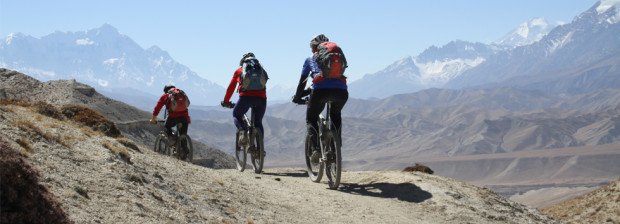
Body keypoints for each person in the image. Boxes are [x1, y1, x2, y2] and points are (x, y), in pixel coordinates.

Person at [292, 34, 348, 164]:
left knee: (311, 119)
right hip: (341, 92)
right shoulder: (336, 57)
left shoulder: (310, 59)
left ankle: (316, 149)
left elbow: (302, 82)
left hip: (320, 92)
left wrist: (297, 97)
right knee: (336, 114)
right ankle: (336, 146)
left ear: (314, 47)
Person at [221, 52, 268, 146]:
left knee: (236, 114)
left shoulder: (240, 71)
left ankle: (243, 132)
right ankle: (260, 148)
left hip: (246, 98)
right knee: (258, 122)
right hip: (261, 99)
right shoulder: (261, 70)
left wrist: (226, 101)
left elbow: (231, 88)